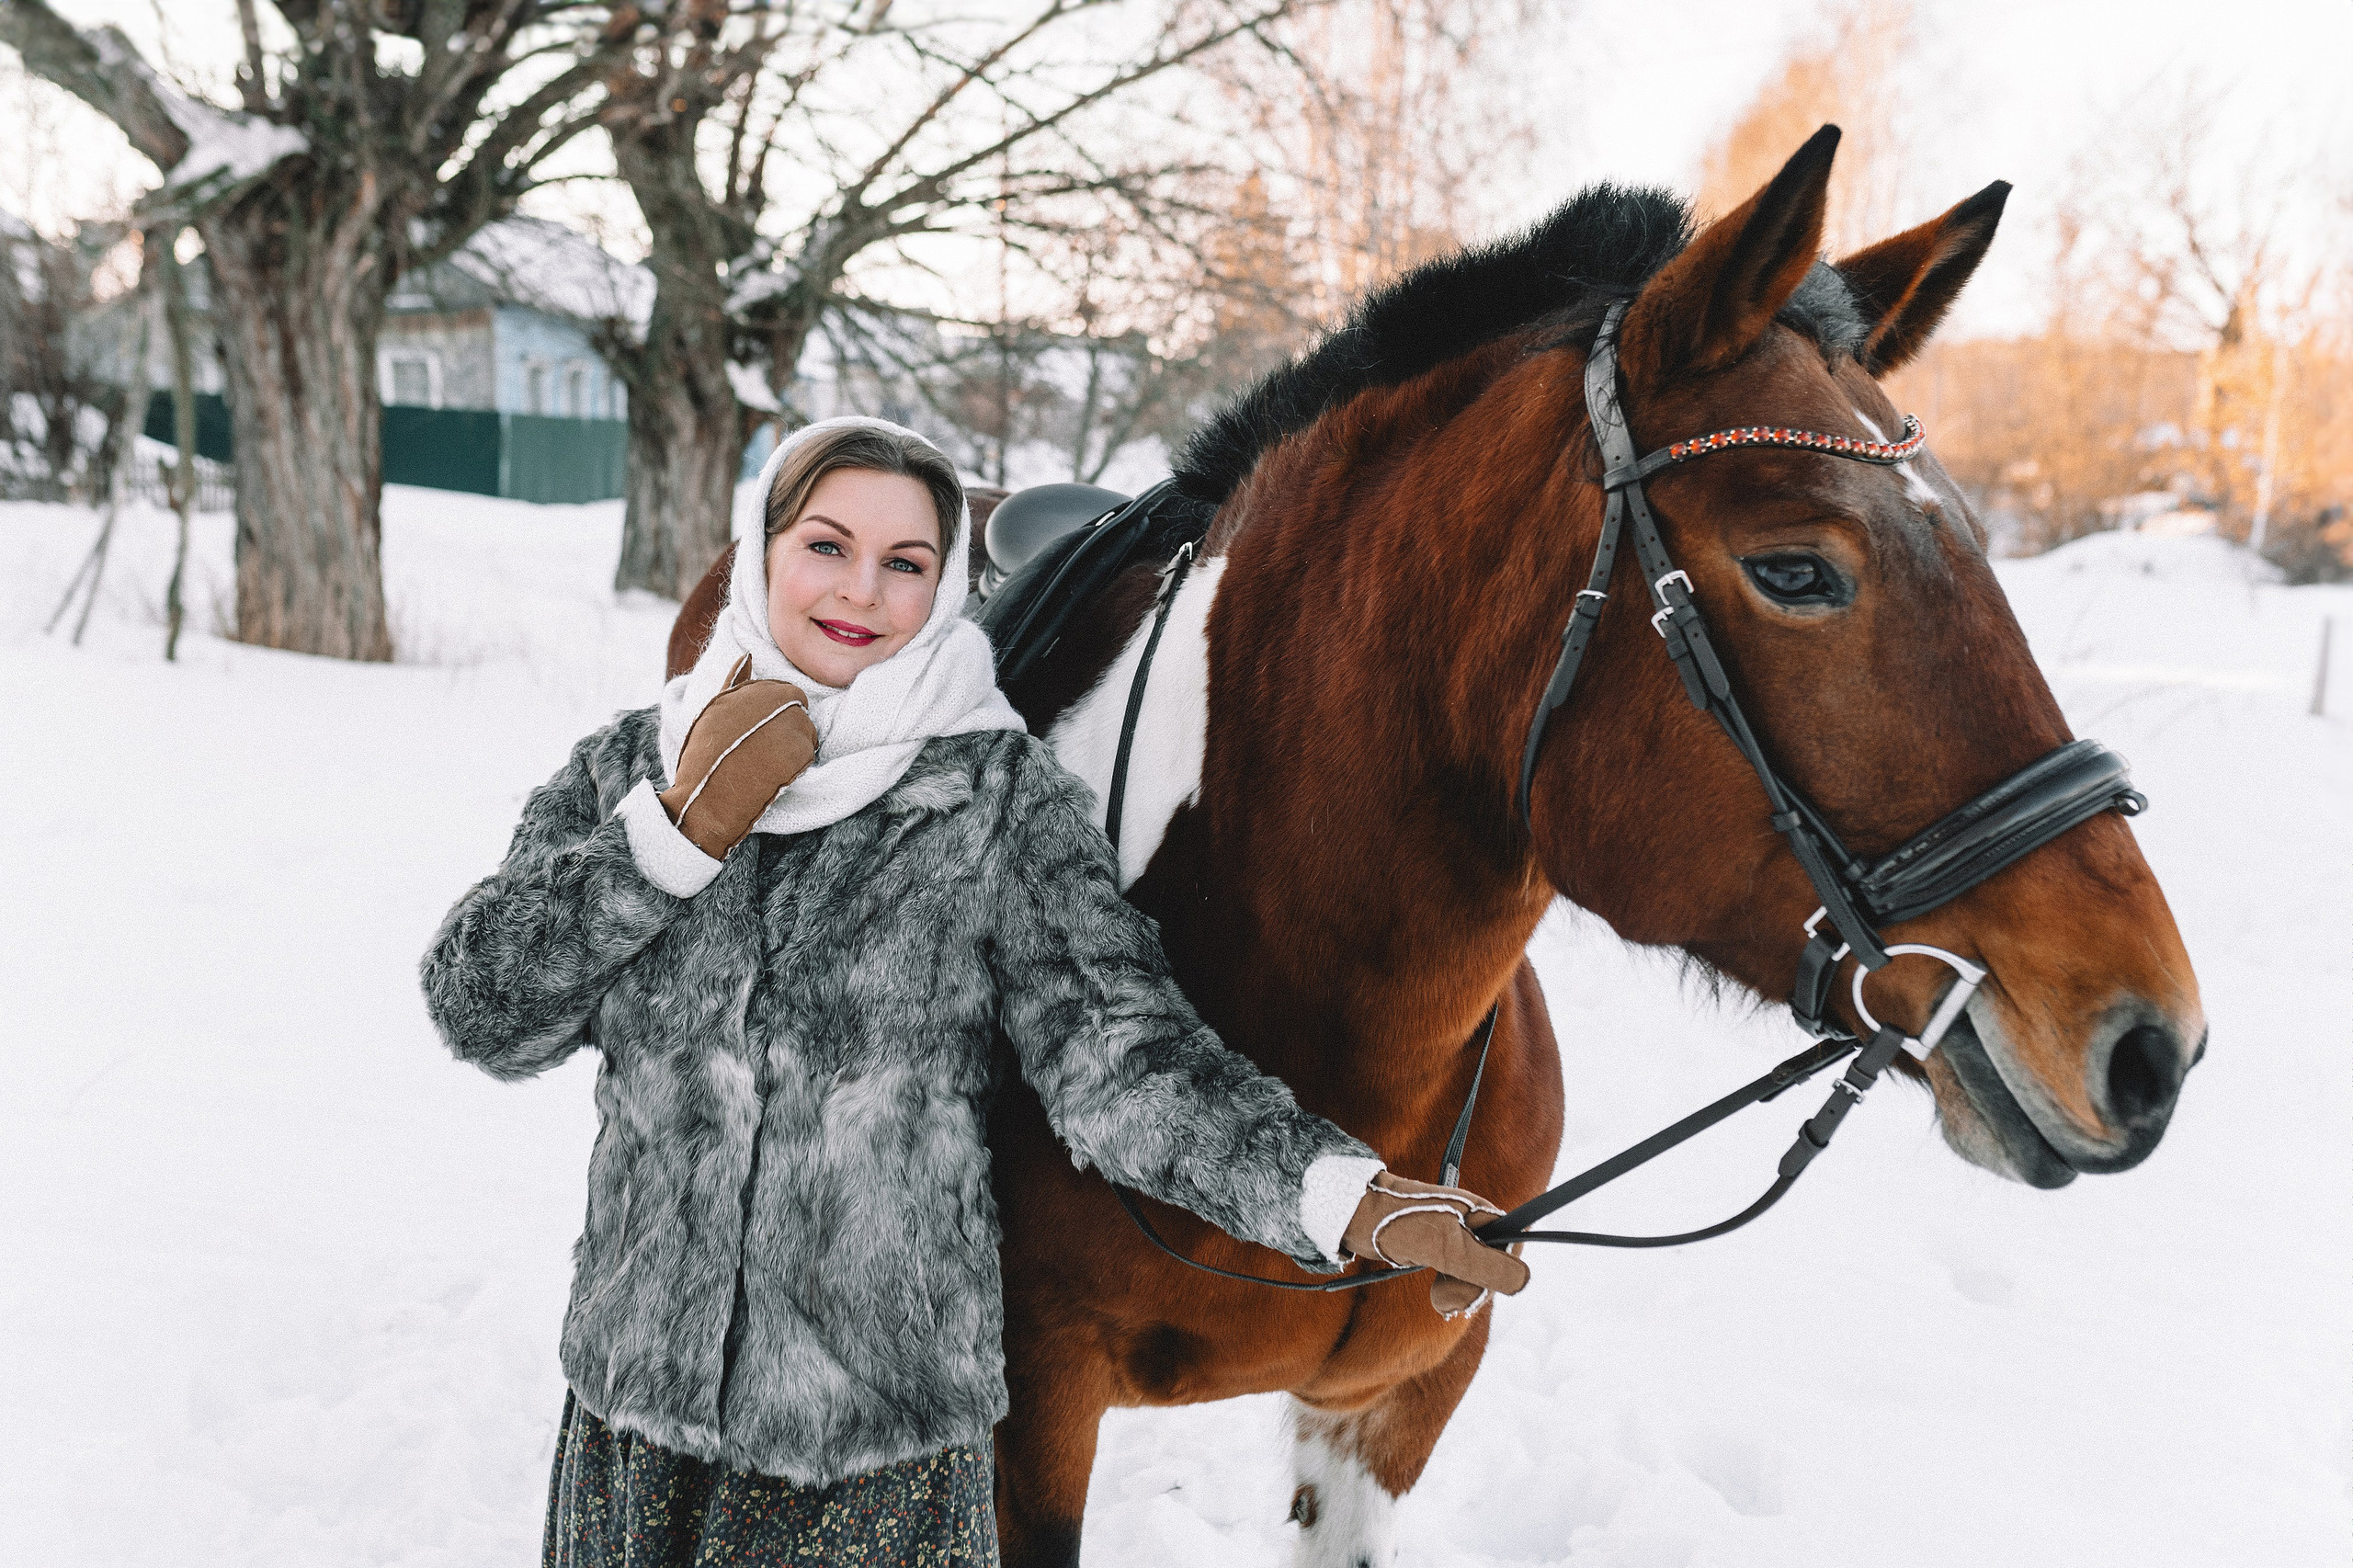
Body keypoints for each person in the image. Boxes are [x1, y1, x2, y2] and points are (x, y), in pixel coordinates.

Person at [419, 416, 1528, 1565]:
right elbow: (483, 1011)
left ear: (944, 584)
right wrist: (667, 841)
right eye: (826, 545)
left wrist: (1339, 1196)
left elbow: (1122, 1063)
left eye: (905, 563)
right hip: (632, 1427)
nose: (860, 590)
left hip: (876, 1458)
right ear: (763, 552)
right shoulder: (629, 767)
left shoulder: (997, 804)